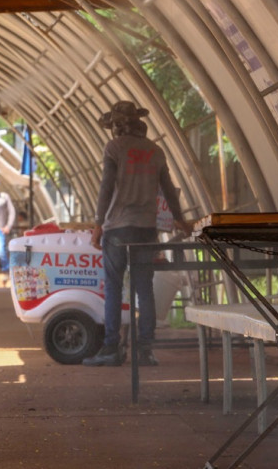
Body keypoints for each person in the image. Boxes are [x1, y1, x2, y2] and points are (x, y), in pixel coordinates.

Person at [82, 101, 191, 368]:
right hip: (146, 229)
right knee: (144, 290)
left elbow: (106, 188)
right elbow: (167, 188)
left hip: (117, 228)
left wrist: (97, 225)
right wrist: (180, 221)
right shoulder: (156, 151)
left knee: (114, 289)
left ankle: (111, 349)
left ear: (116, 126)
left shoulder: (114, 148)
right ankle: (145, 350)